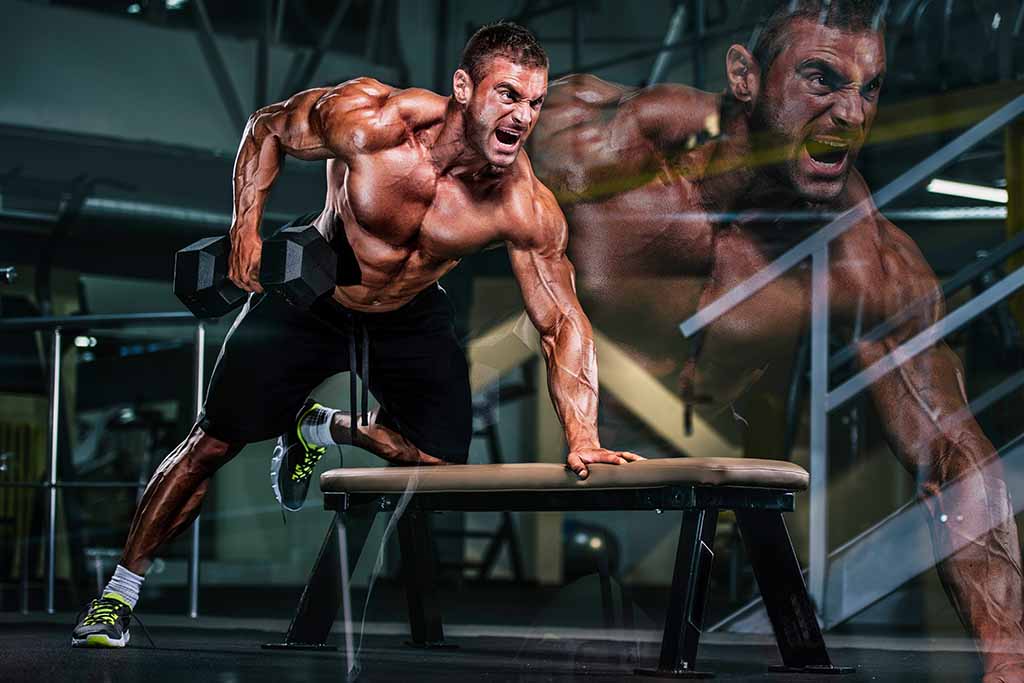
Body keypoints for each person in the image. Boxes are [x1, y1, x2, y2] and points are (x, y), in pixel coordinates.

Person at [71, 21, 639, 649]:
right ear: (463, 87)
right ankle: (117, 596)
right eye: (508, 94)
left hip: (410, 312)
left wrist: (583, 435)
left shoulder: (521, 204)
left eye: (534, 102)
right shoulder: (372, 122)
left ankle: (323, 427)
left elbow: (561, 319)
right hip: (315, 291)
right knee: (212, 442)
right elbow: (267, 127)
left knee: (438, 467)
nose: (523, 115)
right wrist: (245, 231)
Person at [528, 2, 1024, 681]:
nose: (852, 114)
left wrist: (1006, 661)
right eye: (821, 80)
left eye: (870, 87)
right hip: (571, 445)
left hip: (713, 474)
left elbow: (952, 450)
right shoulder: (601, 154)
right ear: (744, 77)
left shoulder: (867, 260)